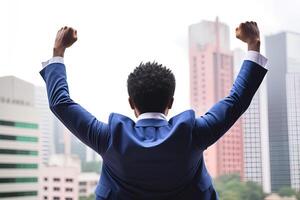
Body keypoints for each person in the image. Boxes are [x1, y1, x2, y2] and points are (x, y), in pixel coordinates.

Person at [40, 21, 268, 200]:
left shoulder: (109, 137)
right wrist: (253, 43)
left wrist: (58, 50)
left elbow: (60, 103)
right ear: (171, 102)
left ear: (131, 103)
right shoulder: (192, 133)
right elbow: (236, 100)